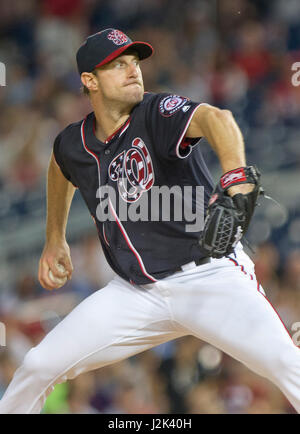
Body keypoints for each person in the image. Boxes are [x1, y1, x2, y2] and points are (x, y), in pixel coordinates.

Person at [0, 28, 299, 414]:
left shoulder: (157, 111)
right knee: (39, 365)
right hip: (136, 294)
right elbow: (60, 167)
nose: (133, 71)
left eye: (135, 62)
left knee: (285, 363)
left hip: (208, 279)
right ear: (89, 81)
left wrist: (236, 176)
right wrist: (54, 237)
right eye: (118, 65)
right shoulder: (74, 142)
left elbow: (217, 119)